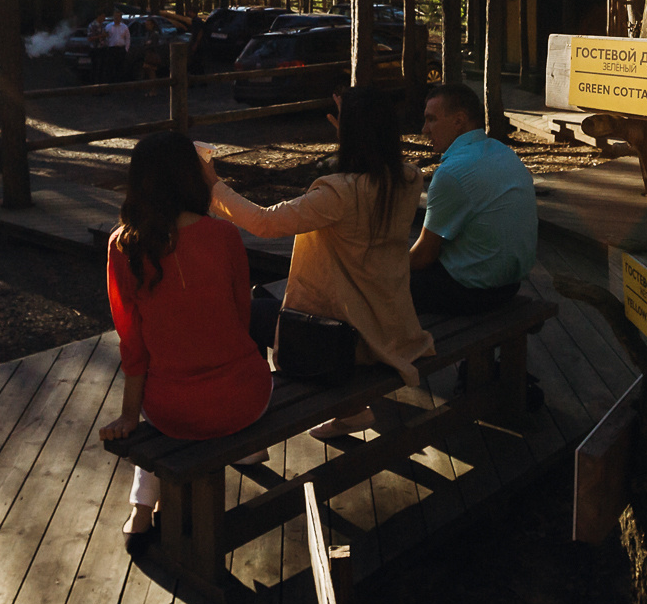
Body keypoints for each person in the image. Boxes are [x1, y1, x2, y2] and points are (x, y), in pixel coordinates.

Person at [202, 85, 433, 438]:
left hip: (345, 339)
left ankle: (245, 426)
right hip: (390, 327)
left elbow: (264, 222)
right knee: (265, 304)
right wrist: (353, 126)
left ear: (351, 133)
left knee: (243, 312)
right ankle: (351, 410)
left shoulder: (339, 193)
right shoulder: (406, 178)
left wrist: (214, 185)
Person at [97, 132, 274, 549]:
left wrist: (128, 416)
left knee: (166, 388)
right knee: (264, 311)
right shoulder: (225, 236)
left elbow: (133, 346)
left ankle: (142, 510)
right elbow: (241, 319)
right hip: (246, 399)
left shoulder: (124, 246)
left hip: (173, 412)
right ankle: (149, 507)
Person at [410, 82, 538, 313]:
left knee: (377, 284)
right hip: (510, 285)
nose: (424, 129)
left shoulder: (452, 172)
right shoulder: (502, 152)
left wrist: (384, 266)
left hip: (471, 292)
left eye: (431, 119)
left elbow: (423, 256)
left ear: (459, 121)